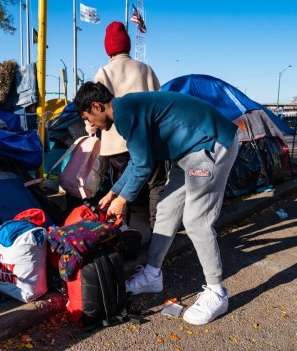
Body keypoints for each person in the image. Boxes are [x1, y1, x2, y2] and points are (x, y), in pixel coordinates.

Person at [74, 82, 239, 325]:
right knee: (165, 211)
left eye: (89, 118)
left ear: (97, 106)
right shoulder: (127, 109)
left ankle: (217, 292)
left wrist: (123, 200)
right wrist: (112, 193)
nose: (91, 125)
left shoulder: (126, 113)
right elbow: (138, 161)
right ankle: (152, 274)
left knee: (195, 221)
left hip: (210, 145)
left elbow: (143, 167)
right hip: (186, 153)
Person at [86, 21, 167, 232]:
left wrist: (91, 131)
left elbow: (96, 108)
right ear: (128, 45)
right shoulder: (145, 69)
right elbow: (158, 99)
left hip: (117, 141)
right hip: (149, 138)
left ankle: (127, 231)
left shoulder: (103, 72)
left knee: (124, 185)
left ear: (108, 48)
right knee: (155, 185)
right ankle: (158, 230)